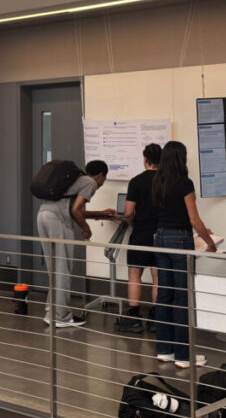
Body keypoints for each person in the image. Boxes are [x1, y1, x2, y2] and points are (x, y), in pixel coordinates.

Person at [152, 141, 216, 369]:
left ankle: (165, 350)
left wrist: (200, 231)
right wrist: (209, 242)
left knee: (164, 294)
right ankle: (184, 355)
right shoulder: (184, 183)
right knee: (182, 298)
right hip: (180, 240)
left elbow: (167, 215)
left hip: (160, 238)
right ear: (182, 158)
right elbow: (193, 219)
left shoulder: (157, 180)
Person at [36, 160, 114, 329]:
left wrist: (100, 213)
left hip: (42, 216)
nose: (102, 183)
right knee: (62, 268)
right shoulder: (90, 183)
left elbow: (74, 209)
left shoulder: (76, 179)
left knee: (54, 268)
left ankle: (52, 312)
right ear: (101, 175)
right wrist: (86, 229)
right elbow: (75, 210)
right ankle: (61, 316)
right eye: (104, 179)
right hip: (57, 220)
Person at [122, 143, 162, 334]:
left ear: (145, 159)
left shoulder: (136, 181)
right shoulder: (167, 181)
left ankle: (133, 317)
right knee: (158, 277)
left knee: (134, 274)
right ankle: (156, 317)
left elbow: (128, 212)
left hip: (140, 233)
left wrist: (132, 223)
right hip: (161, 234)